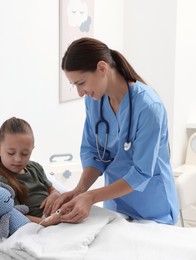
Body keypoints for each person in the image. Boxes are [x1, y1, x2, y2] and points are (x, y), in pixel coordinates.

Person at [51, 37, 178, 225]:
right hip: (115, 205)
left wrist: (92, 197)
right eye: (75, 85)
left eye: (81, 83)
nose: (80, 92)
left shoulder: (149, 107)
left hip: (152, 208)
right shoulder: (95, 101)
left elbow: (142, 172)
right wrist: (79, 191)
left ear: (102, 68)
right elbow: (94, 153)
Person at [0, 117, 61, 226]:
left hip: (57, 212)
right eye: (11, 153)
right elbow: (14, 214)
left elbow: (52, 189)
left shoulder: (35, 167)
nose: (18, 159)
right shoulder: (2, 181)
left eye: (25, 153)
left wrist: (54, 195)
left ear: (32, 149)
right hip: (41, 222)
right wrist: (47, 222)